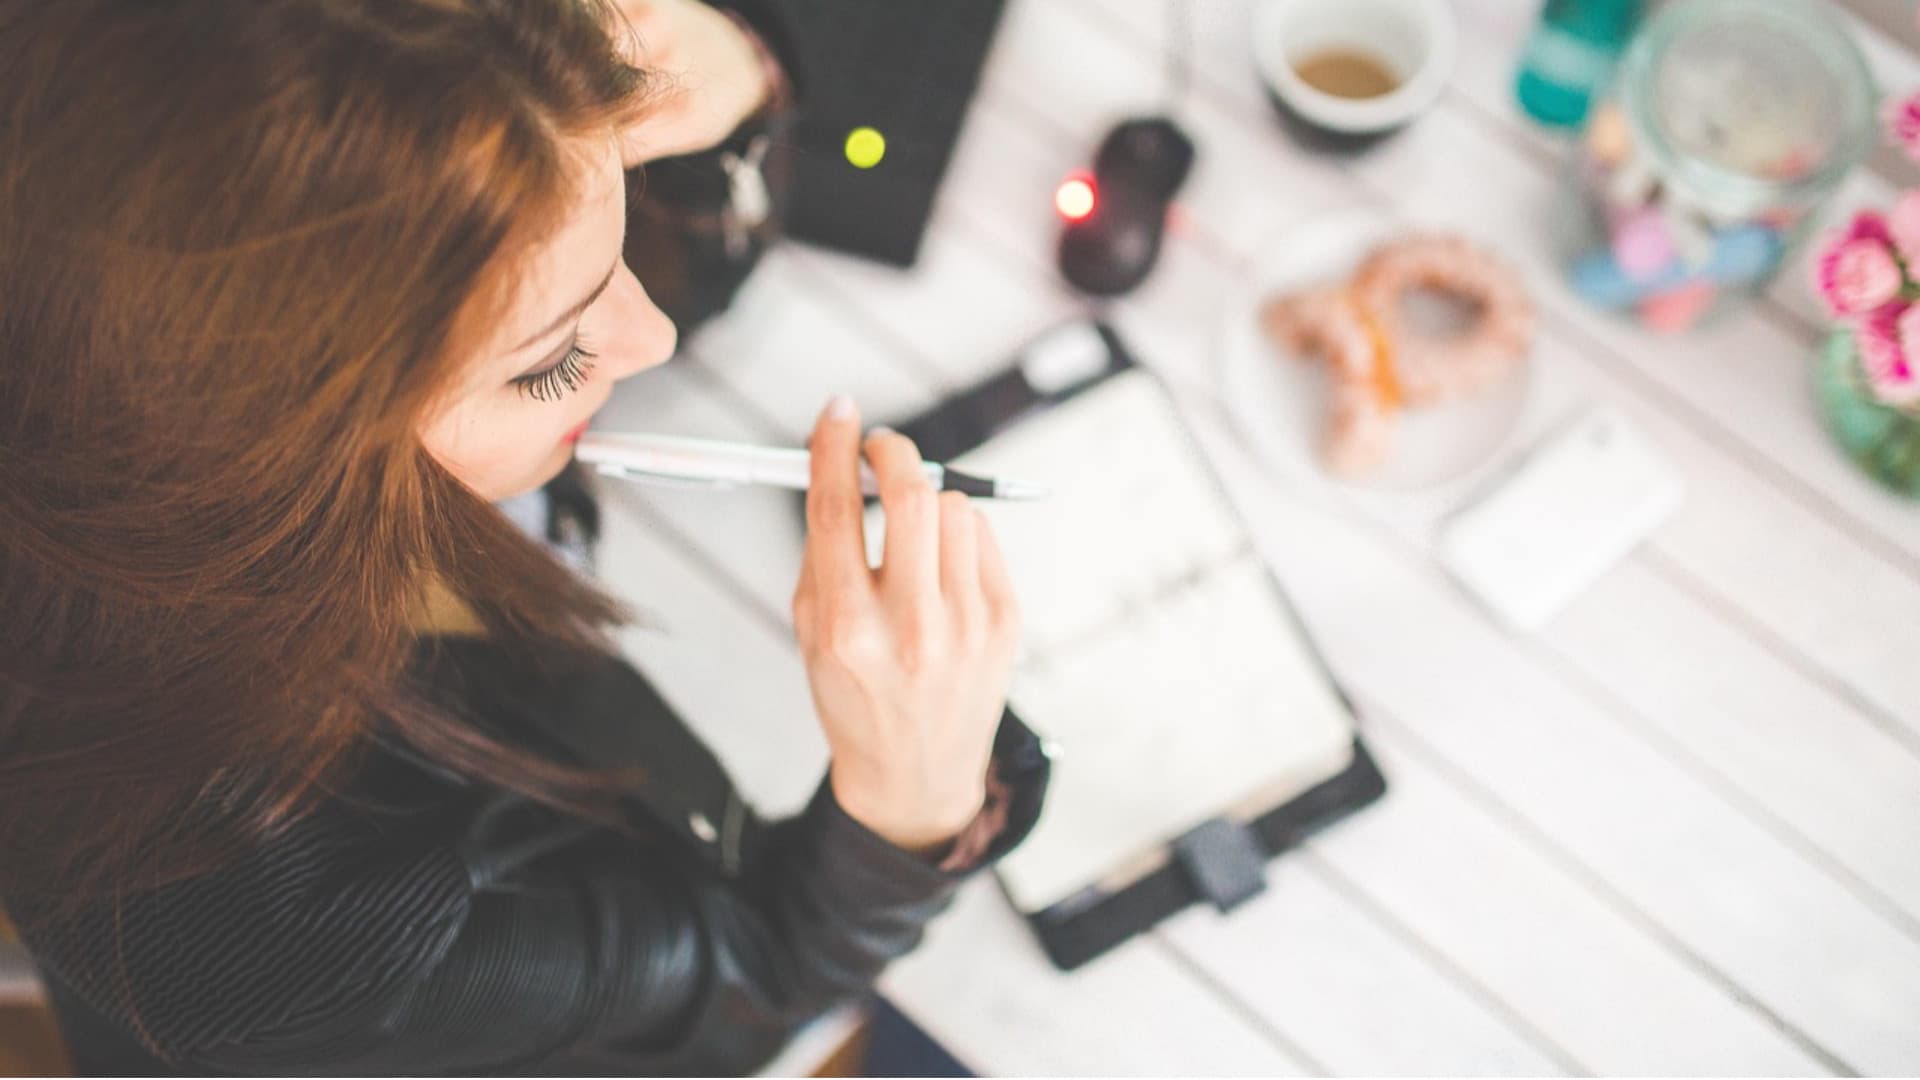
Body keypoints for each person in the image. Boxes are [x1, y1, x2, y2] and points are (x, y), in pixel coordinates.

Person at [0, 0, 1049, 1073]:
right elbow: (749, 992)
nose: (653, 339)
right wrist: (907, 808)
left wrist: (736, 70)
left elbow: (632, 273)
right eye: (547, 362)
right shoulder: (288, 914)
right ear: (284, 447)